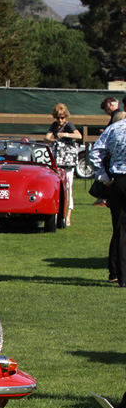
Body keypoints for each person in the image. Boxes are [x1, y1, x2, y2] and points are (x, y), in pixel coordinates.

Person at [90, 114, 126, 290]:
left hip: (119, 180)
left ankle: (122, 276)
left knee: (120, 230)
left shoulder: (114, 128)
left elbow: (95, 152)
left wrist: (103, 177)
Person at [45, 103, 82, 226]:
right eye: (58, 118)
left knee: (69, 188)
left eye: (62, 118)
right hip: (58, 161)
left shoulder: (69, 125)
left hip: (68, 162)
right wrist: (53, 139)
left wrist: (65, 135)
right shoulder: (54, 125)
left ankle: (68, 216)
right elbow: (47, 137)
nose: (60, 120)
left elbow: (78, 135)